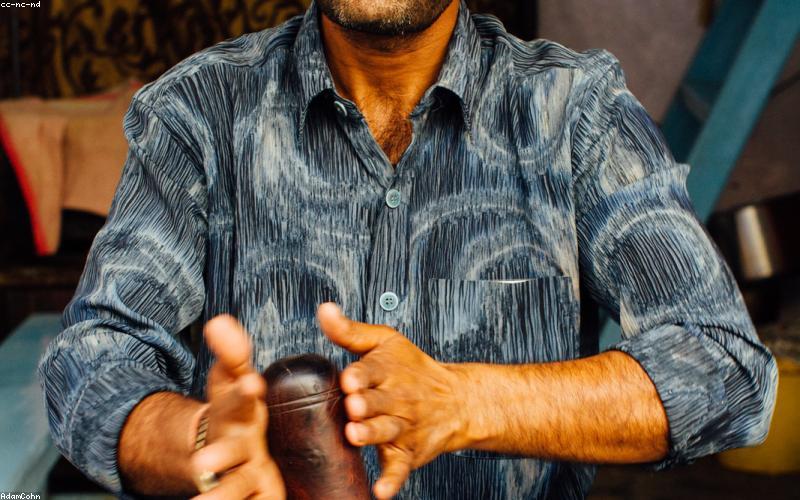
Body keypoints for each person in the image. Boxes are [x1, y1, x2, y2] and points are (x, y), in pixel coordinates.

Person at [38, 0, 778, 498]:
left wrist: (466, 400)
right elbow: (91, 359)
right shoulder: (196, 113)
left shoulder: (575, 111)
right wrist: (203, 438)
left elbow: (724, 367)